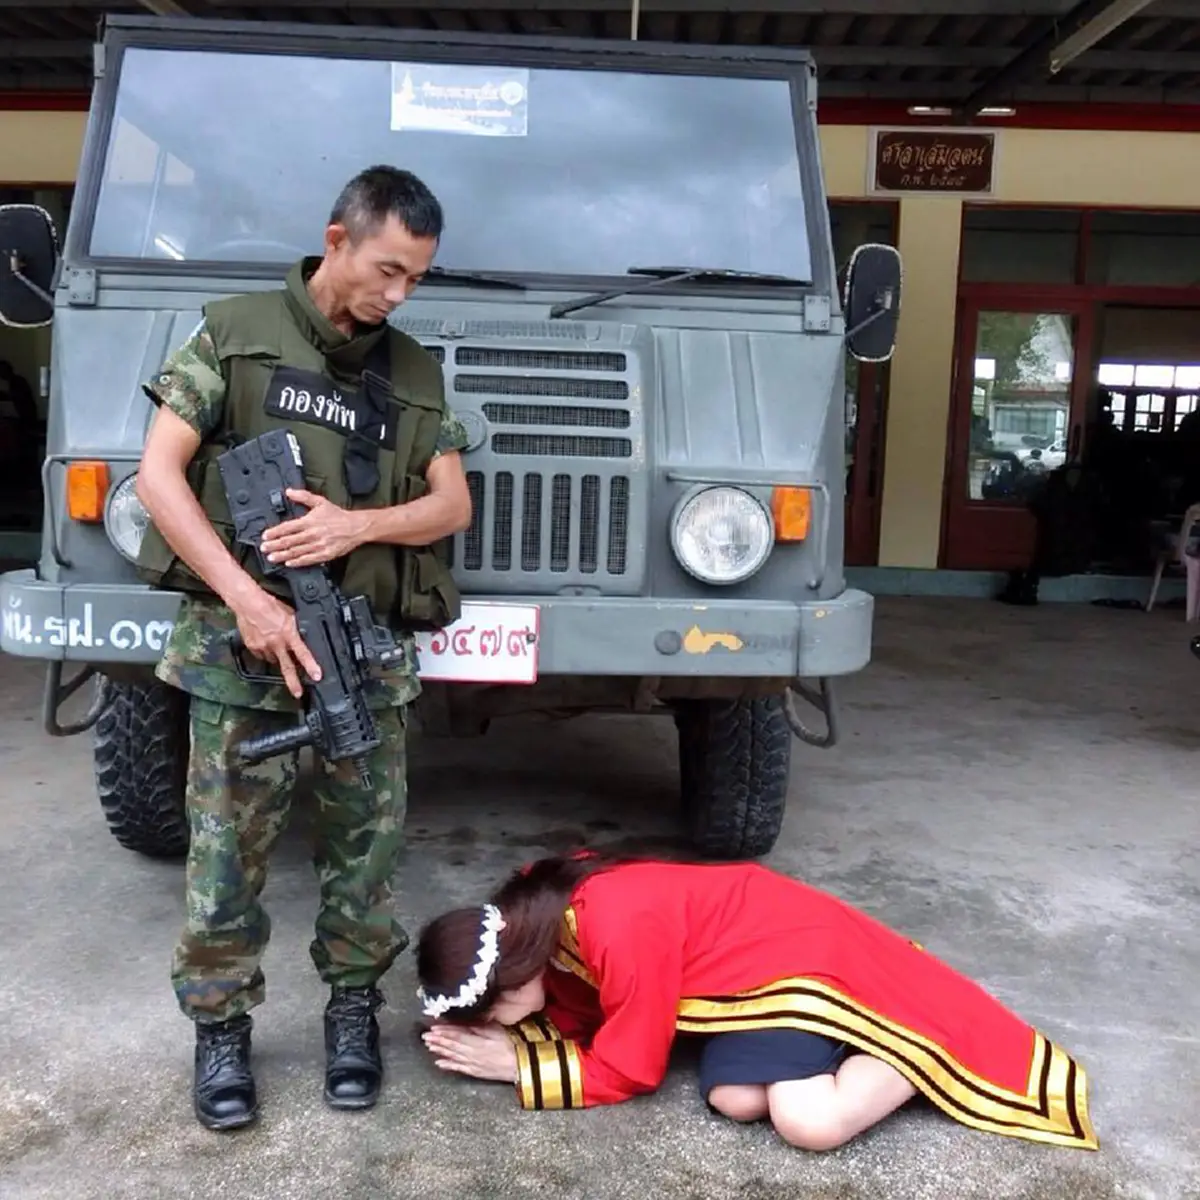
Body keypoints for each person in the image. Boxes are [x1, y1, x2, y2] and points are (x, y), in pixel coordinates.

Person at [135, 165, 473, 1132]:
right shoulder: (234, 333)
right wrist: (247, 599)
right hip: (240, 651)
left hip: (363, 658)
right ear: (336, 240)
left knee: (365, 855)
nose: (397, 295)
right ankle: (221, 1031)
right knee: (224, 860)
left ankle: (354, 1013)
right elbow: (159, 474)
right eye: (387, 270)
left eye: (416, 278)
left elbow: (452, 504)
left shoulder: (409, 370)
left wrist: (353, 528)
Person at [416, 853, 1098, 1153]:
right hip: (740, 983)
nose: (509, 1023)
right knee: (736, 1100)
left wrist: (520, 1067)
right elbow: (583, 1007)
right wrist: (513, 1041)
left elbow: (634, 1066)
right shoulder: (534, 912)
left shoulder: (613, 926)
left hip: (801, 963)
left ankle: (913, 1041)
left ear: (511, 973)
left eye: (496, 1010)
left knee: (809, 1123)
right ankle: (865, 1042)